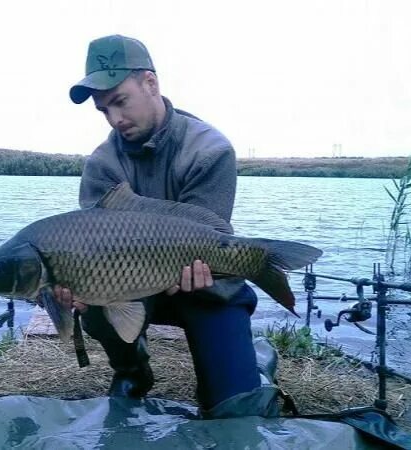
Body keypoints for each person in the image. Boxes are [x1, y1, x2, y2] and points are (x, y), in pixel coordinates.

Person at [57, 34, 281, 418]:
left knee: (234, 410)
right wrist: (75, 284)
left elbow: (205, 234)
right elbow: (91, 247)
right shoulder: (101, 164)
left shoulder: (209, 149)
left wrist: (220, 265)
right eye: (104, 110)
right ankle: (131, 369)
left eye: (121, 102)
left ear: (150, 83)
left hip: (206, 287)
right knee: (94, 299)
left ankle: (254, 363)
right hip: (132, 284)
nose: (115, 119)